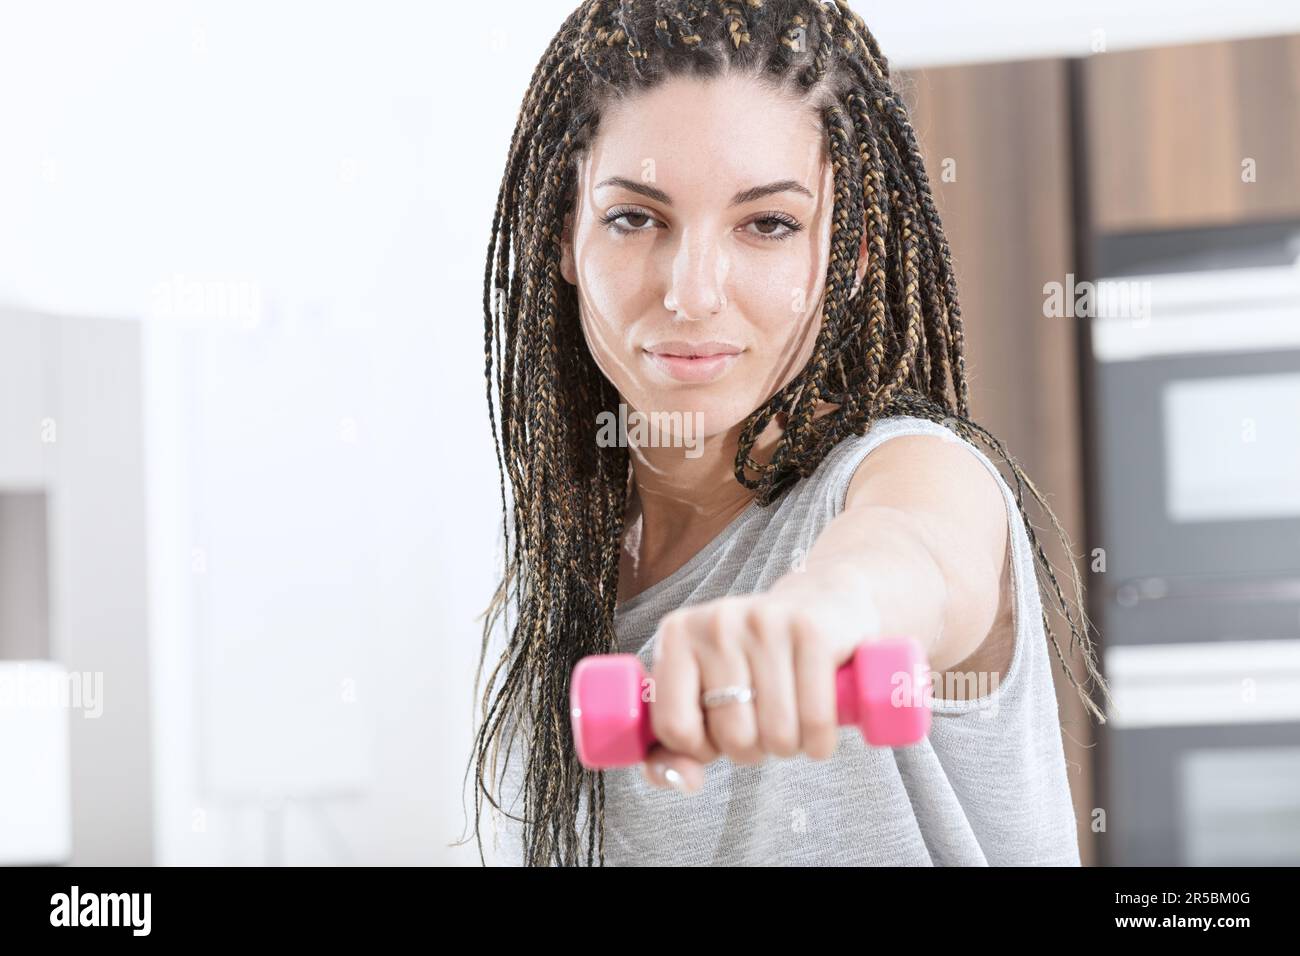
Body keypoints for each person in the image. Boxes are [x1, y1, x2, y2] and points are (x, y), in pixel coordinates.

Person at [467, 0, 1112, 866]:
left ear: (846, 252)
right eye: (634, 218)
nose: (693, 292)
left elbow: (911, 554)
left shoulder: (914, 472)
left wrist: (823, 613)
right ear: (562, 234)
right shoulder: (549, 595)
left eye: (767, 223)